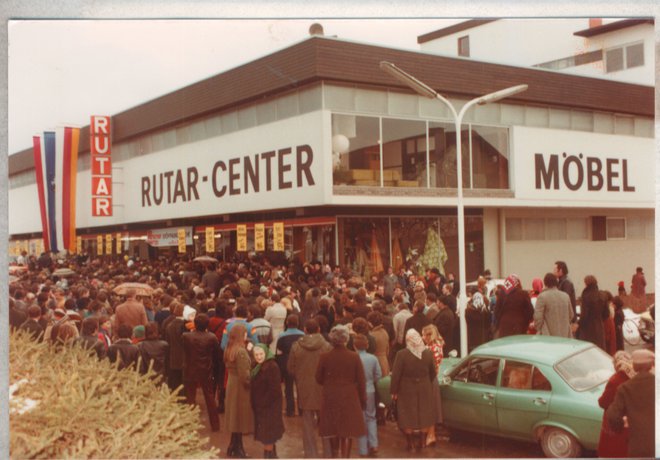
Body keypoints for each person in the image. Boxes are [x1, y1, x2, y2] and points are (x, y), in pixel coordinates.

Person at [316, 324, 367, 458]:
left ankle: (334, 455)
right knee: (347, 430)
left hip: (330, 395)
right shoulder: (354, 357)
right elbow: (361, 380)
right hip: (349, 396)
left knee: (332, 429)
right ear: (346, 339)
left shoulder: (324, 356)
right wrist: (363, 401)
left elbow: (318, 378)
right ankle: (345, 457)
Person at [288, 318, 333, 459]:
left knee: (307, 422)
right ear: (319, 329)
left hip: (304, 387)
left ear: (305, 330)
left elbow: (290, 368)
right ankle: (328, 453)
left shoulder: (296, 346)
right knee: (325, 422)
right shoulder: (327, 346)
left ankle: (310, 453)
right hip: (323, 388)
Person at [390, 329, 437, 453]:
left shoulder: (401, 354)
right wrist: (425, 381)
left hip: (406, 388)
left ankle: (410, 444)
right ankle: (422, 442)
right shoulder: (428, 353)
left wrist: (393, 391)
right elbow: (433, 372)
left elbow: (396, 375)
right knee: (424, 414)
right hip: (424, 386)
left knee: (407, 417)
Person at [605, 349, 655, 458]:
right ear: (652, 365)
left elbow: (612, 416)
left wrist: (620, 426)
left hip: (638, 447)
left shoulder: (624, 388)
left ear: (634, 366)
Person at [182, 313, 220, 432]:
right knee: (209, 398)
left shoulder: (186, 336)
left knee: (191, 398)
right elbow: (216, 353)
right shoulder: (212, 337)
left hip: (190, 368)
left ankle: (190, 423)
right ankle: (215, 425)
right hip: (206, 369)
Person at [250, 343, 285, 458]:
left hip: (269, 408)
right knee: (268, 436)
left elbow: (275, 391)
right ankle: (272, 455)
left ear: (266, 353)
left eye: (261, 354)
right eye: (256, 354)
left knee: (268, 437)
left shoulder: (272, 367)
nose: (259, 356)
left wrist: (262, 403)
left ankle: (268, 456)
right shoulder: (257, 366)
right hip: (262, 407)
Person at [597, 351, 635, 458]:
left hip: (616, 424)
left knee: (612, 450)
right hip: (632, 422)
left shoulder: (615, 380)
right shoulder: (637, 376)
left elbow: (603, 402)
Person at [224, 323, 253, 458]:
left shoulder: (230, 348)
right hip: (240, 387)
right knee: (240, 417)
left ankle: (233, 445)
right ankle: (239, 448)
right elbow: (244, 375)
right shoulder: (241, 351)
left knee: (234, 416)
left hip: (232, 383)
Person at [354, 334, 381, 459]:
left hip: (356, 391)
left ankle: (363, 448)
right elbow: (378, 375)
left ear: (354, 346)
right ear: (367, 345)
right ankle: (374, 444)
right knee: (371, 416)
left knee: (360, 418)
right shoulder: (373, 358)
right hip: (370, 389)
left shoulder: (353, 358)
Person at [275, 314, 304, 417]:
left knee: (288, 387)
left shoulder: (282, 336)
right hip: (300, 363)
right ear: (298, 323)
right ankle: (301, 410)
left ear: (287, 323)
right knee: (300, 386)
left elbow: (278, 352)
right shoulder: (303, 335)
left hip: (286, 363)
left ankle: (290, 410)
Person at [421, 324, 444, 447]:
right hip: (431, 378)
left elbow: (432, 367)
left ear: (429, 335)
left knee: (429, 408)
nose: (422, 337)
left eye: (424, 334)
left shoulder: (432, 348)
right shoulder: (435, 346)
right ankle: (429, 434)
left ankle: (431, 435)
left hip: (429, 379)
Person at [532, 272, 574, 338]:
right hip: (565, 336)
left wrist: (540, 329)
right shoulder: (566, 296)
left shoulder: (542, 297)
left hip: (548, 336)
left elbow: (538, 318)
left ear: (545, 283)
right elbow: (571, 315)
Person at [576, 275, 608, 350]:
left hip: (588, 329)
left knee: (588, 350)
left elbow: (584, 315)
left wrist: (579, 324)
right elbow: (606, 314)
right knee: (599, 350)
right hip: (599, 327)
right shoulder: (603, 295)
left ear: (586, 283)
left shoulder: (586, 295)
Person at [465, 287, 491, 351]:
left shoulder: (468, 311)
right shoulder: (485, 311)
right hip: (483, 337)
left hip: (472, 337)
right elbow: (488, 323)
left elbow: (467, 321)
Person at [367, 311, 390, 377]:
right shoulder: (384, 332)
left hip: (375, 363)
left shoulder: (371, 335)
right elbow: (387, 350)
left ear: (370, 323)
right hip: (384, 361)